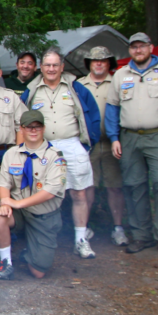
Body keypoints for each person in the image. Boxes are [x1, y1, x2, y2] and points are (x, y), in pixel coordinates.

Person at [22, 47, 100, 259]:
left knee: (79, 192)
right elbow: (20, 117)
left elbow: (92, 114)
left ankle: (80, 240)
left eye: (55, 65)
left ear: (62, 66)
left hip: (72, 143)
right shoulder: (32, 90)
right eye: (47, 65)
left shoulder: (76, 87)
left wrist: (87, 143)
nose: (51, 69)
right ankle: (42, 240)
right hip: (44, 147)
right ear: (41, 67)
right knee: (42, 193)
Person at [107, 32, 158, 254]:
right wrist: (114, 138)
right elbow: (113, 108)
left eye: (142, 46)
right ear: (130, 50)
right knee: (135, 185)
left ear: (151, 48)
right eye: (134, 47)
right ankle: (142, 235)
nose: (138, 50)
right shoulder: (120, 75)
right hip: (130, 137)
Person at [0, 110, 67, 280]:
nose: (33, 131)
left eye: (37, 127)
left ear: (44, 128)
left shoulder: (55, 156)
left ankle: (30, 252)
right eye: (29, 127)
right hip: (18, 212)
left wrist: (18, 203)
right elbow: (4, 183)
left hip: (43, 216)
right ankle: (6, 263)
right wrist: (4, 201)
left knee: (38, 272)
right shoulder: (12, 154)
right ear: (22, 130)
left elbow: (49, 192)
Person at [79, 47, 128, 246]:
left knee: (114, 187)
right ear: (89, 64)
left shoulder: (117, 83)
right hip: (88, 146)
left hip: (111, 144)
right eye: (94, 61)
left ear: (110, 63)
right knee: (87, 187)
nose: (98, 64)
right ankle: (85, 227)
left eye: (103, 61)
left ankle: (118, 228)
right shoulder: (80, 85)